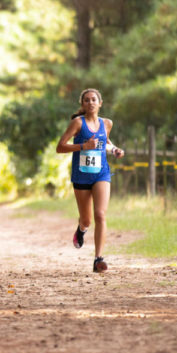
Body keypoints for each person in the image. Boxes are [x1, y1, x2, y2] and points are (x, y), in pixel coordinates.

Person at [55, 88, 125, 273]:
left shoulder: (107, 123)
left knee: (100, 214)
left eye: (94, 99)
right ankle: (81, 229)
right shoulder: (77, 123)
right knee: (87, 220)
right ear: (82, 104)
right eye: (87, 100)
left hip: (101, 174)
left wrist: (115, 150)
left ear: (100, 103)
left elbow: (106, 142)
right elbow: (60, 147)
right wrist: (82, 146)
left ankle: (98, 259)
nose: (91, 102)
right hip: (81, 175)